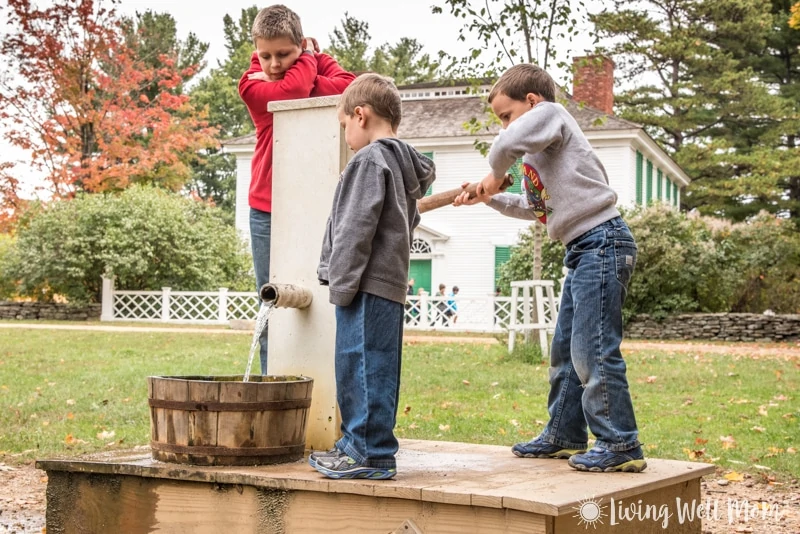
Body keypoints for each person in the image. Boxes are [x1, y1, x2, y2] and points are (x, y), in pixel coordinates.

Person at [453, 63, 646, 473]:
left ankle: (619, 442)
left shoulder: (554, 117)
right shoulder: (540, 156)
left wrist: (493, 172)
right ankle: (564, 433)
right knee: (564, 351)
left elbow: (505, 146)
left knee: (592, 349)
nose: (504, 126)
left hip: (603, 240)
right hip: (581, 248)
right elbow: (535, 209)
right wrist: (488, 197)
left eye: (507, 115)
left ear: (532, 102)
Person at [312, 73, 436, 479]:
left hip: (363, 284)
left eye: (344, 123)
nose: (345, 133)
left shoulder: (368, 160)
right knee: (378, 367)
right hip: (390, 283)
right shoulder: (403, 165)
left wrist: (340, 281)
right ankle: (365, 445)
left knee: (357, 365)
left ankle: (367, 452)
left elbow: (354, 228)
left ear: (360, 115)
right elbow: (409, 221)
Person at [238, 5, 355, 375]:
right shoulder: (249, 84)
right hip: (267, 209)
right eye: (265, 56)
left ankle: (317, 380)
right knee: (272, 300)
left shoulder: (299, 65)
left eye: (284, 54)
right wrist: (309, 62)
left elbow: (350, 89)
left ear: (300, 44)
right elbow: (293, 92)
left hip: (315, 204)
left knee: (319, 297)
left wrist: (311, 62)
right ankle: (272, 385)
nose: (273, 63)